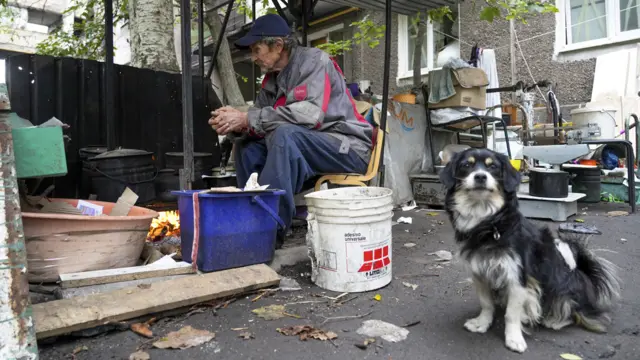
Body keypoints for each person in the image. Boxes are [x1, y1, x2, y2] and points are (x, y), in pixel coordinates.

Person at [209, 14, 374, 248]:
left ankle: (270, 232)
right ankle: (252, 220)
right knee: (247, 146)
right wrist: (235, 125)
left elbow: (310, 116)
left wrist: (247, 118)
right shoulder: (271, 80)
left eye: (257, 49)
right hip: (309, 148)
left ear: (278, 45)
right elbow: (258, 121)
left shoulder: (315, 62)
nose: (253, 57)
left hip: (347, 147)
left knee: (285, 134)